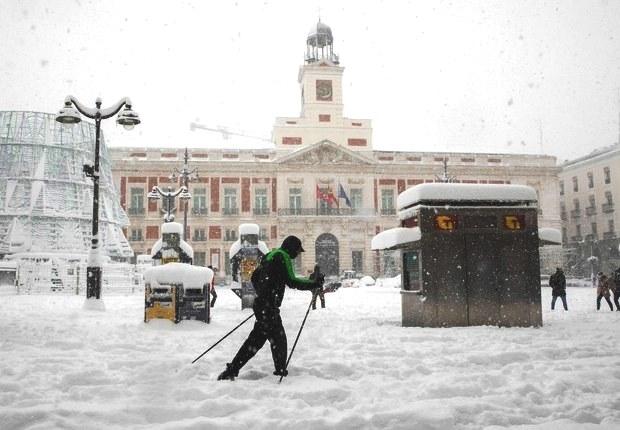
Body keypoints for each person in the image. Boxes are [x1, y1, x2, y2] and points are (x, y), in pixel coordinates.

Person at [217, 235, 324, 381]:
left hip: (263, 305)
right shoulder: (283, 255)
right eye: (298, 251)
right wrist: (313, 284)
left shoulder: (270, 254)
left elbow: (255, 277)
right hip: (268, 307)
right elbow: (292, 281)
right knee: (278, 340)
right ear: (291, 248)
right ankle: (280, 372)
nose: (297, 255)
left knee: (256, 341)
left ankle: (232, 370)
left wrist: (264, 295)